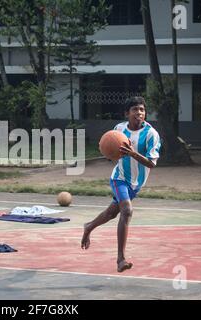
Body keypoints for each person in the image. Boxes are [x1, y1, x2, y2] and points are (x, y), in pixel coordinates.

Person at [81, 96, 161, 272]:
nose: (139, 113)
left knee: (111, 213)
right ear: (127, 113)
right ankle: (120, 259)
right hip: (119, 178)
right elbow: (111, 152)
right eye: (135, 110)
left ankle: (89, 226)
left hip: (136, 183)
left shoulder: (151, 134)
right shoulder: (118, 130)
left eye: (142, 110)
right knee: (127, 210)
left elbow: (151, 163)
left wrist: (133, 154)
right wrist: (109, 151)